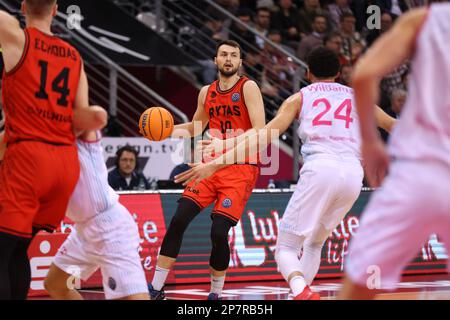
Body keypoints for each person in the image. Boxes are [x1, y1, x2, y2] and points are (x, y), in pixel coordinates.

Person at [175, 47, 396, 300]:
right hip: (353, 176)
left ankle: (301, 291)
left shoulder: (298, 98)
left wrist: (215, 161)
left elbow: (262, 137)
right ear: (338, 72)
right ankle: (300, 294)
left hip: (321, 168)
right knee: (314, 242)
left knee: (286, 248)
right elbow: (392, 124)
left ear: (308, 72)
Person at [339, 4, 450, 299]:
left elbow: (363, 75)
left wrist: (369, 142)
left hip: (418, 174)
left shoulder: (426, 20)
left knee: (359, 289)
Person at [0, 0, 107, 300]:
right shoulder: (74, 57)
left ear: (23, 6)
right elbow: (81, 117)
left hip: (29, 158)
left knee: (3, 250)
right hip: (64, 163)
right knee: (19, 248)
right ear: (56, 9)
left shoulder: (15, 36)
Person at [148, 40, 266, 300]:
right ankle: (155, 289)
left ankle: (215, 293)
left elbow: (260, 131)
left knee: (218, 231)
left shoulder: (248, 87)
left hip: (240, 167)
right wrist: (165, 132)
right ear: (215, 60)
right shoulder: (206, 92)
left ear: (240, 62)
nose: (228, 59)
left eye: (234, 55)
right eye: (223, 54)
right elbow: (194, 128)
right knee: (178, 220)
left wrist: (226, 143)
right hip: (208, 167)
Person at [44, 131, 149, 300]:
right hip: (82, 232)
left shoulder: (82, 132)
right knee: (56, 284)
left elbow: (97, 115)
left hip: (110, 227)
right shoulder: (40, 145)